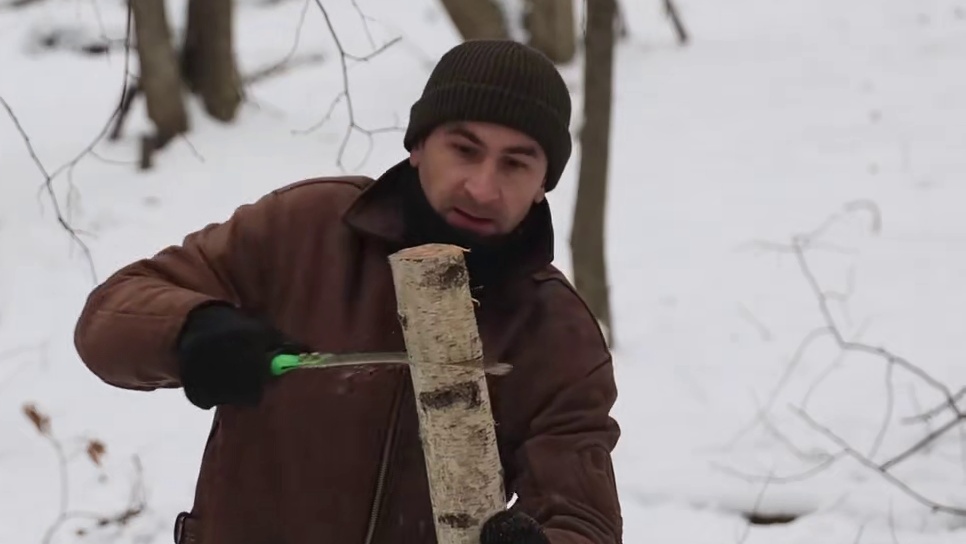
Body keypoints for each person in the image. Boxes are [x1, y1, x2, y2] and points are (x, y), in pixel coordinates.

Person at [73, 39, 623, 544]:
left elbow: (583, 519)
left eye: (515, 163)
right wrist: (191, 330)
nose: (482, 186)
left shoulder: (557, 333)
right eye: (464, 149)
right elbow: (109, 320)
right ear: (418, 147)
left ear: (542, 185)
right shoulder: (306, 229)